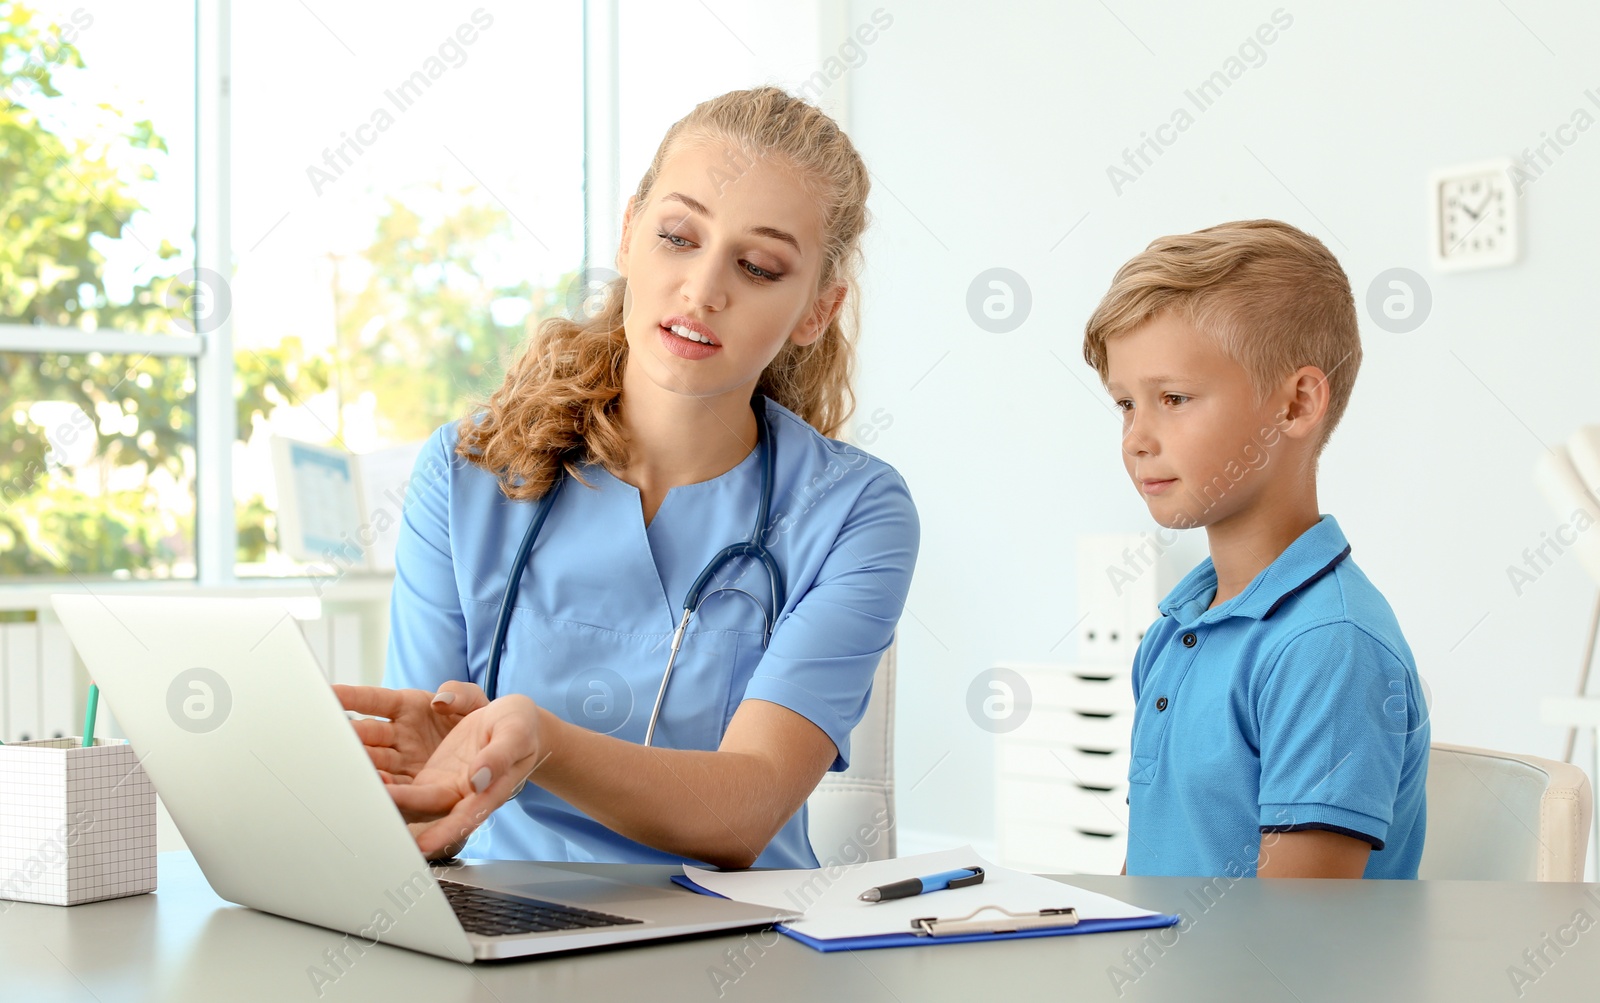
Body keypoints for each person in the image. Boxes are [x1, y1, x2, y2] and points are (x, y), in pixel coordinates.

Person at [337, 87, 918, 870]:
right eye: (678, 236)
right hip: (509, 929)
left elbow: (746, 810)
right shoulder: (466, 473)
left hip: (744, 954)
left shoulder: (852, 511)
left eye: (758, 265)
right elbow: (432, 774)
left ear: (816, 310)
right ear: (628, 232)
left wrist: (542, 742)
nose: (704, 289)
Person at [1081, 219, 1429, 879]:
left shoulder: (1329, 644)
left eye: (1173, 398)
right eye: (1126, 404)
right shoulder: (1176, 628)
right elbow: (1145, 880)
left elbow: (1290, 949)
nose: (1136, 437)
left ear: (1297, 404)